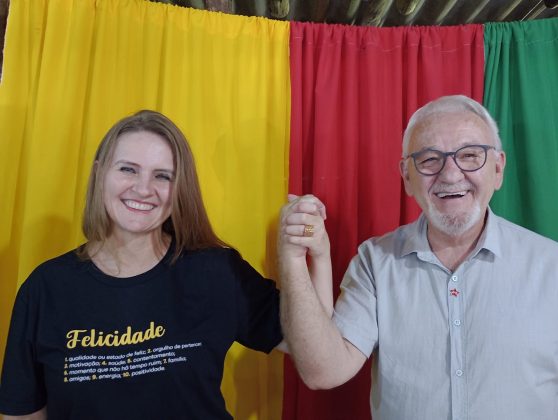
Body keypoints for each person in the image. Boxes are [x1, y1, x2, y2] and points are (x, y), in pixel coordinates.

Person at [279, 95, 558, 420]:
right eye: (429, 159)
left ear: (498, 169)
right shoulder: (375, 262)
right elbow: (323, 371)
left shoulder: (551, 267)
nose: (450, 175)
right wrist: (295, 259)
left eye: (470, 156)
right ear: (407, 177)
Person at [0, 110, 283, 420]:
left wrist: (305, 257)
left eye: (163, 176)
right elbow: (22, 414)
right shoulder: (45, 288)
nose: (143, 188)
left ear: (179, 188)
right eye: (128, 169)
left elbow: (315, 361)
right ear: (99, 174)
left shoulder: (216, 271)